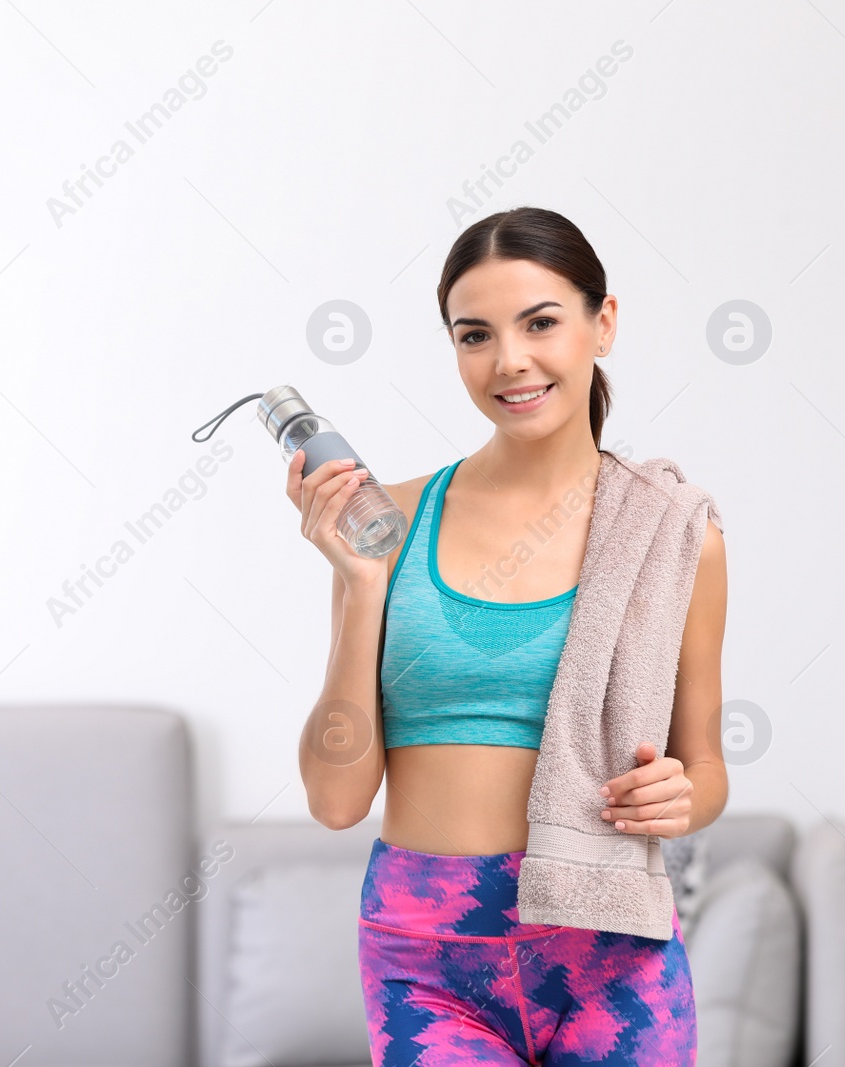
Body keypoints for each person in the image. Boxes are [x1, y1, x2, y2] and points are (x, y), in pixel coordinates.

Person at [285, 206, 727, 1066]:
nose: (509, 360)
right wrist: (360, 585)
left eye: (541, 323)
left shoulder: (676, 534)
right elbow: (336, 801)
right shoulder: (389, 523)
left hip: (611, 951)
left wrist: (683, 796)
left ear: (602, 323)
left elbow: (703, 768)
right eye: (474, 334)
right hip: (426, 951)